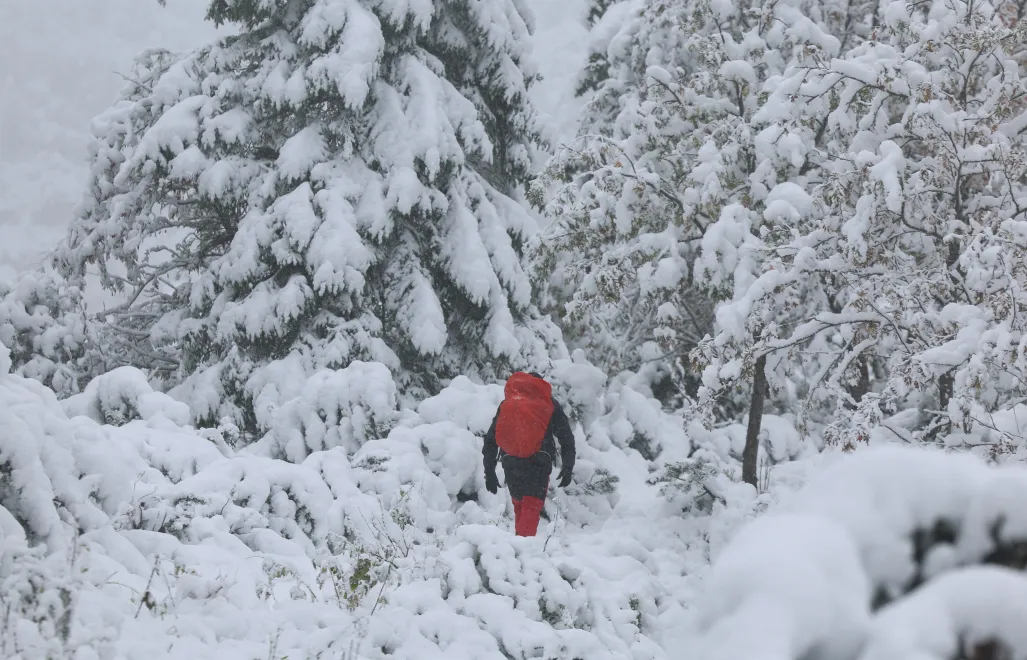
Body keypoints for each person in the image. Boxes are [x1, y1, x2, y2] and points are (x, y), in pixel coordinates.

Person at [482, 371, 575, 536]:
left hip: (510, 461)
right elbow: (566, 437)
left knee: (519, 506)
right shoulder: (548, 403)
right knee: (531, 506)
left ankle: (518, 549)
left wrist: (489, 471)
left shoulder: (509, 403)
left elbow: (491, 438)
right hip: (538, 461)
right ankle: (522, 551)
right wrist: (568, 465)